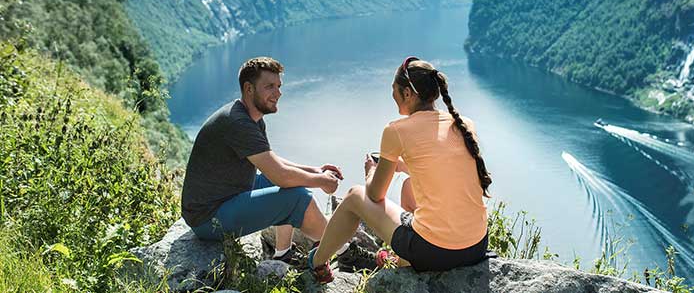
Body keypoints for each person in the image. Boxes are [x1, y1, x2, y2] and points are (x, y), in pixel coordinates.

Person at [308, 56, 492, 282]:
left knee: (355, 195)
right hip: (476, 246)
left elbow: (375, 194)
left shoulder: (396, 130)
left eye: (394, 89)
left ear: (407, 93)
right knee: (408, 186)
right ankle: (403, 261)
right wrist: (401, 166)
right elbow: (441, 169)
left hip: (436, 253)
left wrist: (371, 171)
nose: (392, 95)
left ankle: (317, 263)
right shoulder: (464, 124)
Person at [181, 57, 352, 265]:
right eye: (270, 86)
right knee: (297, 198)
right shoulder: (238, 123)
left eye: (279, 86)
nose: (278, 93)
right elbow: (281, 175)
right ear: (249, 88)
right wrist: (322, 181)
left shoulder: (251, 118)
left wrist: (315, 170)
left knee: (292, 184)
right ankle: (345, 252)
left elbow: (270, 160)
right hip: (208, 218)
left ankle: (283, 253)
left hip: (226, 196)